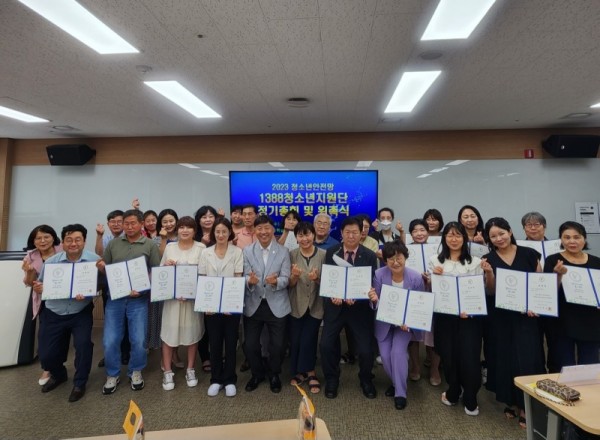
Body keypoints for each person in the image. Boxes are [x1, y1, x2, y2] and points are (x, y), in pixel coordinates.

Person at [481, 217, 544, 429]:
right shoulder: (487, 258)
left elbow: (540, 284)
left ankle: (527, 406)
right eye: (493, 236)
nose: (499, 238)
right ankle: (512, 401)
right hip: (500, 317)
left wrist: (538, 305)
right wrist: (489, 273)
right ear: (489, 239)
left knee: (527, 358)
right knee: (504, 357)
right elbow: (490, 291)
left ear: (509, 231)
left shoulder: (529, 254)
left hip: (527, 316)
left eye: (502, 233)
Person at [32, 224, 99, 402]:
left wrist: (91, 292)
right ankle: (59, 374)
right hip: (53, 311)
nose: (73, 243)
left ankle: (80, 383)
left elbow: (100, 286)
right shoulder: (52, 263)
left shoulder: (94, 260)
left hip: (80, 311)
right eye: (69, 240)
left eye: (77, 239)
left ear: (84, 241)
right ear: (62, 242)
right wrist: (39, 288)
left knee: (84, 345)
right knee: (46, 354)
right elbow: (40, 285)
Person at [99, 209, 161, 395]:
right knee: (111, 339)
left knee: (139, 338)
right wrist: (101, 267)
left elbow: (155, 271)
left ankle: (136, 371)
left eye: (133, 223)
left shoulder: (149, 244)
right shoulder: (113, 244)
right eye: (126, 223)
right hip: (115, 299)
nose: (129, 226)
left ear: (141, 224)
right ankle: (112, 374)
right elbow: (107, 270)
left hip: (139, 300)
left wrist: (143, 288)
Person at [319, 217, 378, 400]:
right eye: (347, 232)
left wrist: (360, 297)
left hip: (359, 309)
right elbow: (328, 280)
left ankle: (366, 379)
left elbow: (370, 283)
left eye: (355, 232)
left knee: (366, 349)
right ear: (341, 233)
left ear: (361, 234)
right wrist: (332, 295)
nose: (351, 236)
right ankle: (332, 379)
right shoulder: (331, 252)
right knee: (326, 345)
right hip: (335, 307)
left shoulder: (369, 255)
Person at [429, 222, 484, 416]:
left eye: (458, 235)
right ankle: (453, 392)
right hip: (445, 316)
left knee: (469, 356)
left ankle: (471, 398)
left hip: (469, 318)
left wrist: (469, 309)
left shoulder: (475, 262)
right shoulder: (435, 261)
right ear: (444, 238)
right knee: (448, 355)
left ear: (464, 238)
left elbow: (479, 292)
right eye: (450, 236)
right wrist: (430, 278)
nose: (454, 239)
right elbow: (431, 291)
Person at [369, 241, 424, 410]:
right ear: (385, 261)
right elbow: (375, 302)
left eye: (399, 257)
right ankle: (396, 382)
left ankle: (400, 392)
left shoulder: (415, 277)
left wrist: (411, 321)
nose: (395, 262)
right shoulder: (379, 274)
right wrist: (374, 299)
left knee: (397, 353)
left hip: (404, 325)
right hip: (385, 322)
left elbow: (420, 304)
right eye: (390, 259)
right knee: (385, 357)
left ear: (405, 257)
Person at [242, 214, 291, 393]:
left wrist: (276, 282)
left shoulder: (283, 251)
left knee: (278, 345)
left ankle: (274, 374)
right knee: (250, 344)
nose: (263, 232)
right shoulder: (247, 251)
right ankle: (257, 374)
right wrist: (250, 281)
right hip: (254, 302)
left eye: (267, 228)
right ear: (255, 231)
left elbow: (286, 277)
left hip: (277, 303)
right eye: (260, 228)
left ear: (273, 229)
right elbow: (245, 275)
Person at [544, 221, 600, 368]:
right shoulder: (553, 260)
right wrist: (558, 275)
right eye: (567, 237)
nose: (572, 241)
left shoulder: (596, 262)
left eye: (577, 237)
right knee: (563, 367)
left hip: (591, 320)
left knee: (591, 366)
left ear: (584, 239)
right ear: (561, 240)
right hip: (562, 320)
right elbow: (548, 293)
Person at [199, 217, 244, 397]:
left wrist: (230, 304)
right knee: (215, 343)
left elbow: (238, 277)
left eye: (224, 231)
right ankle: (216, 379)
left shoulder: (237, 252)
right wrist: (206, 305)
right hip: (211, 307)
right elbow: (202, 279)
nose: (220, 235)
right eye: (217, 231)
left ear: (229, 233)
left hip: (231, 306)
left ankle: (230, 379)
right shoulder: (206, 252)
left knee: (231, 342)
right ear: (213, 233)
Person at [160, 216, 205, 391]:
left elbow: (205, 273)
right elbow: (161, 275)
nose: (185, 230)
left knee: (192, 333)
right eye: (181, 227)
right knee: (169, 334)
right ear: (177, 230)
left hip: (192, 301)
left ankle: (190, 368)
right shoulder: (170, 247)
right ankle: (168, 372)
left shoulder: (201, 248)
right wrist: (167, 268)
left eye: (189, 227)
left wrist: (193, 293)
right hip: (172, 301)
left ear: (195, 231)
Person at [22, 225, 62, 386]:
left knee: (63, 337)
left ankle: (56, 367)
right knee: (46, 339)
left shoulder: (63, 250)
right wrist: (30, 271)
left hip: (65, 300)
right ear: (33, 241)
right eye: (38, 238)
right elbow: (28, 283)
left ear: (53, 238)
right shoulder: (30, 256)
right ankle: (48, 367)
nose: (43, 240)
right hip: (44, 301)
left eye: (46, 236)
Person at [288, 221, 326, 394]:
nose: (305, 239)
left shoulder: (324, 255)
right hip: (296, 304)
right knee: (296, 340)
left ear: (314, 235)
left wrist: (317, 279)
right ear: (296, 238)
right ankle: (300, 371)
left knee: (308, 339)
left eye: (307, 234)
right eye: (301, 235)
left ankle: (311, 373)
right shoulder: (291, 255)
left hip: (316, 305)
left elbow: (330, 283)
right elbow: (287, 284)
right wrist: (294, 277)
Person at [406, 218, 441, 386]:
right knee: (413, 332)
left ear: (428, 232)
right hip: (413, 293)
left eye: (422, 230)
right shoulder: (405, 250)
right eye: (415, 231)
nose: (419, 233)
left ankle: (434, 369)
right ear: (410, 234)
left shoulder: (439, 251)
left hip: (433, 293)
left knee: (432, 333)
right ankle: (415, 366)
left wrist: (432, 277)